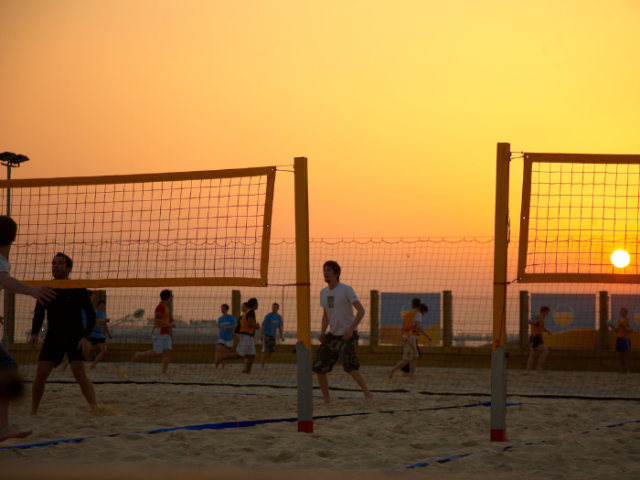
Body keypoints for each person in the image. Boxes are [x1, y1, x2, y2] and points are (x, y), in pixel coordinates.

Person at [0, 216, 56, 440]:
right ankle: (2, 427)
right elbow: (5, 281)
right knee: (7, 365)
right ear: (14, 237)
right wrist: (32, 290)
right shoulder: (1, 260)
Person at [29, 253, 99, 415]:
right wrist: (34, 334)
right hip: (54, 337)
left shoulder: (77, 288)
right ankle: (33, 412)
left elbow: (91, 315)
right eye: (54, 263)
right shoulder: (46, 288)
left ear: (68, 268)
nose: (55, 266)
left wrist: (85, 337)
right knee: (40, 374)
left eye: (60, 263)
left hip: (75, 336)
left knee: (79, 373)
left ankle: (95, 408)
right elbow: (39, 314)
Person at [312, 261, 374, 405]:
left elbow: (361, 311)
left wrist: (351, 329)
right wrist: (322, 331)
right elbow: (326, 314)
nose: (325, 272)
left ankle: (368, 396)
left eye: (328, 270)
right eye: (324, 270)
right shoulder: (323, 292)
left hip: (348, 334)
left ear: (336, 273)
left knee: (350, 366)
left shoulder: (346, 289)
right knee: (319, 367)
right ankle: (327, 400)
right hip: (332, 335)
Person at [131, 290, 176, 374]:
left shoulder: (165, 307)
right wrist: (169, 324)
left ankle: (164, 373)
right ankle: (139, 354)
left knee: (168, 351)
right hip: (159, 332)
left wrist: (169, 320)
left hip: (166, 331)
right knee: (157, 353)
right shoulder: (160, 307)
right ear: (169, 297)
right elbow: (157, 320)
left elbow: (162, 320)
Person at [387, 302, 432, 381]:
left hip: (408, 338)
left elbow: (403, 327)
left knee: (415, 357)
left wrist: (402, 339)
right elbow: (419, 327)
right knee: (407, 359)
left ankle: (411, 376)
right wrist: (427, 336)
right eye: (424, 313)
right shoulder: (418, 314)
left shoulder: (408, 314)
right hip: (410, 339)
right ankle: (391, 371)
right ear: (422, 311)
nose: (424, 315)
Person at [216, 297, 260, 373]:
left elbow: (245, 325)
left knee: (252, 354)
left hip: (248, 336)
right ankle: (221, 359)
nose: (258, 306)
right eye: (257, 304)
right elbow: (249, 324)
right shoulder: (251, 312)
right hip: (246, 336)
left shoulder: (246, 313)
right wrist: (256, 326)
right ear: (255, 305)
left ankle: (247, 371)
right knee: (240, 355)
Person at [527, 305, 552, 374]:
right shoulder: (536, 316)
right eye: (546, 312)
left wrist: (547, 331)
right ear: (543, 311)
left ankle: (528, 371)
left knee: (533, 355)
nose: (547, 314)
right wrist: (538, 320)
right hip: (535, 336)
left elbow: (541, 327)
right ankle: (539, 368)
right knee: (545, 351)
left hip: (538, 336)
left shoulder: (542, 318)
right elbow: (528, 322)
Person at [89, 299, 112, 369]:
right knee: (84, 351)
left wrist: (109, 334)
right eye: (102, 304)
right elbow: (93, 323)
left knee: (104, 351)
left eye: (104, 305)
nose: (103, 306)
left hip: (99, 335)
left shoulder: (104, 314)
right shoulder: (95, 312)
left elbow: (105, 326)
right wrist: (101, 326)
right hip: (93, 334)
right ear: (98, 306)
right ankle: (67, 364)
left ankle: (93, 365)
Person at [610, 307, 632, 374]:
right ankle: (623, 370)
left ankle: (628, 370)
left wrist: (624, 327)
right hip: (619, 339)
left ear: (626, 313)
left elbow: (631, 330)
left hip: (625, 339)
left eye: (623, 312)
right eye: (621, 312)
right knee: (620, 356)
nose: (621, 313)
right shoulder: (618, 320)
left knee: (627, 356)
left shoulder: (628, 320)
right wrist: (612, 327)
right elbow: (617, 330)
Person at [260, 303, 284, 367]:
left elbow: (279, 327)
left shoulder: (279, 317)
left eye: (276, 307)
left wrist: (281, 336)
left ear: (278, 308)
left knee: (272, 351)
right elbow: (263, 325)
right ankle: (262, 364)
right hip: (267, 334)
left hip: (273, 335)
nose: (274, 308)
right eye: (273, 307)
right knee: (266, 351)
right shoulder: (268, 316)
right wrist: (261, 334)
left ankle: (263, 361)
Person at [215, 303, 236, 369]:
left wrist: (227, 327)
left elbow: (235, 326)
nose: (222, 310)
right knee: (218, 349)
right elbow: (220, 328)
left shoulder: (231, 317)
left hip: (229, 337)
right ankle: (216, 365)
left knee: (226, 353)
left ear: (227, 310)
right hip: (221, 337)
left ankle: (223, 366)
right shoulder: (220, 319)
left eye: (224, 309)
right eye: (222, 309)